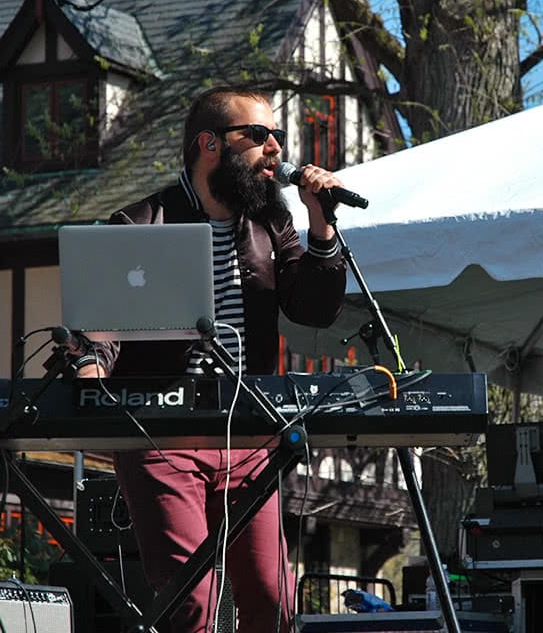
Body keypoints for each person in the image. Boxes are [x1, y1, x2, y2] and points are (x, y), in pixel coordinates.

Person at [74, 86, 348, 632]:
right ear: (210, 145)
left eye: (278, 136)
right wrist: (89, 374)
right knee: (192, 599)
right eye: (259, 135)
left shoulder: (273, 224)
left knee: (273, 599)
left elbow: (314, 309)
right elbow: (98, 330)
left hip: (248, 435)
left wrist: (322, 224)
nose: (275, 149)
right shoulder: (139, 222)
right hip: (161, 436)